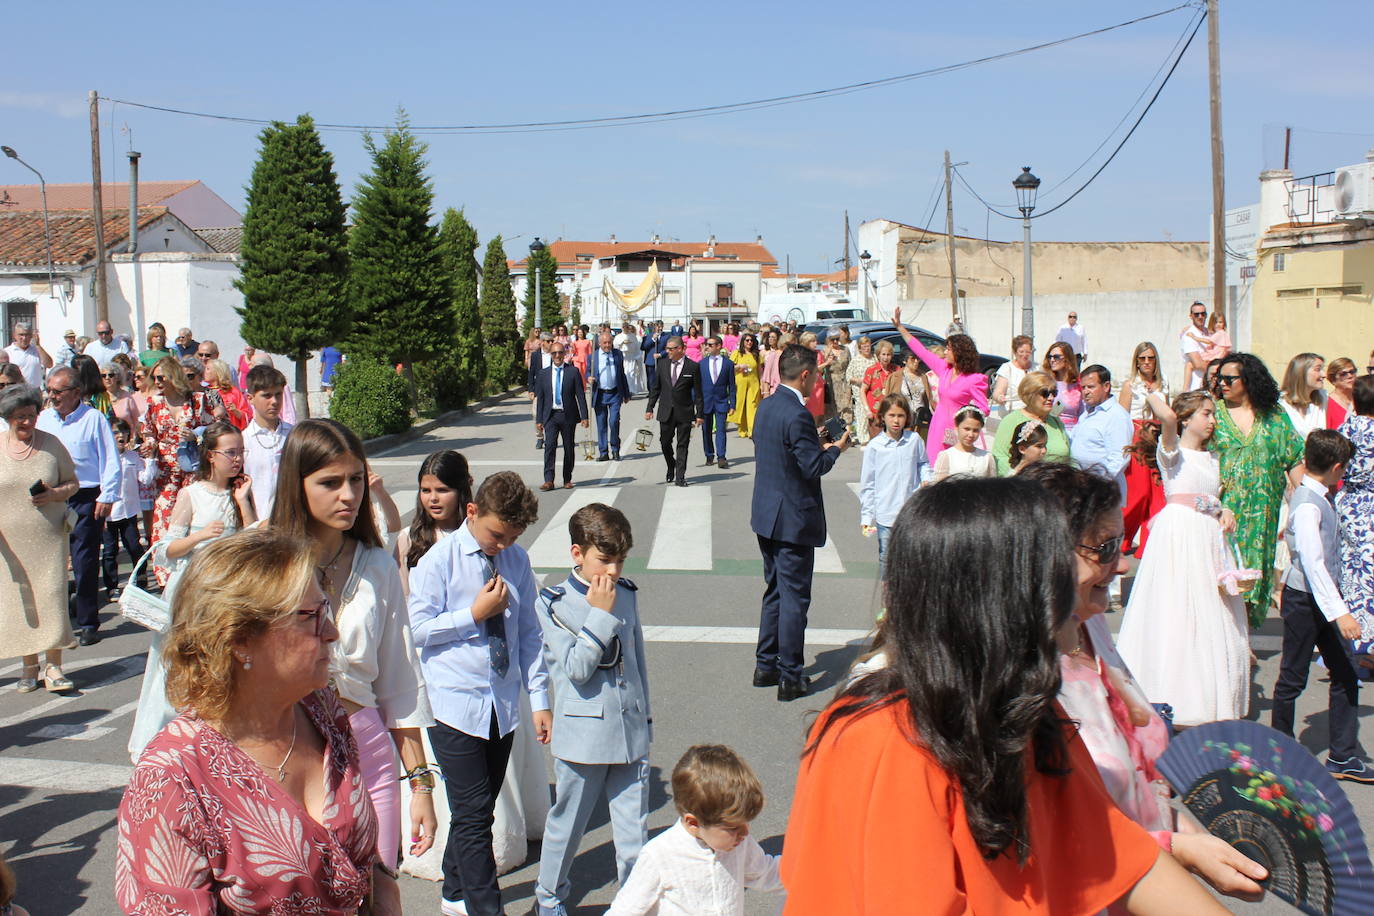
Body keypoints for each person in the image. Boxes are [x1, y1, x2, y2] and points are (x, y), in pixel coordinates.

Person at [782, 477, 1230, 915]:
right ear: (997, 598)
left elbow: (1116, 853)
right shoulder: (889, 739)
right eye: (1054, 568)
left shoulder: (1024, 709)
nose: (1072, 586)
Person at [115, 530, 401, 914]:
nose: (332, 633)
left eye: (326, 611)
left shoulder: (322, 710)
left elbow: (358, 859)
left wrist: (383, 888)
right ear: (239, 640)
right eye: (311, 618)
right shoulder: (172, 781)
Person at [1023, 461, 1270, 900]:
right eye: (1103, 548)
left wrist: (1180, 828)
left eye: (1121, 543)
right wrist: (1173, 848)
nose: (1121, 565)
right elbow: (1052, 839)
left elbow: (1136, 776)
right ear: (1047, 552)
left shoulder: (1091, 628)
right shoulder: (1020, 673)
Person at [270, 418, 438, 871]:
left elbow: (400, 683)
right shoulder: (266, 562)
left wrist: (421, 784)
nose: (349, 494)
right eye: (330, 482)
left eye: (356, 480)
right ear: (296, 484)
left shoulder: (378, 566)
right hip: (285, 755)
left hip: (369, 754)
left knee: (376, 890)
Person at [407, 471, 553, 916]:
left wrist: (540, 698)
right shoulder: (439, 561)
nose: (502, 545)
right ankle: (485, 908)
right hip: (456, 703)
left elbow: (529, 630)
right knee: (472, 815)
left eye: (511, 537)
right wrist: (474, 614)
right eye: (496, 534)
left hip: (502, 702)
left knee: (481, 806)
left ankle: (454, 890)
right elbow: (418, 631)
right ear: (472, 512)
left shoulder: (516, 561)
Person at [534, 504, 651, 916]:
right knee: (568, 825)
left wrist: (645, 718)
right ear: (577, 554)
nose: (614, 571)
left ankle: (634, 903)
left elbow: (636, 664)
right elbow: (577, 670)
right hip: (583, 735)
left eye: (620, 560)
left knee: (633, 829)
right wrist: (599, 615)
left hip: (629, 728)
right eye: (604, 559)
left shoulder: (628, 594)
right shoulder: (554, 603)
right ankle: (549, 898)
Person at [1115, 390, 1251, 726]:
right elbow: (1169, 422)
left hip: (1207, 538)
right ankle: (1173, 693)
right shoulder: (1172, 453)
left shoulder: (1213, 458)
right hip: (1180, 537)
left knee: (1211, 611)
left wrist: (1222, 509)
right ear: (1187, 418)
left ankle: (1210, 694)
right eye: (1206, 413)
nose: (1212, 421)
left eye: (1213, 414)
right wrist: (1153, 394)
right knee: (1178, 609)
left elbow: (1206, 498)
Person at [127, 421, 258, 759]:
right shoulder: (191, 493)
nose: (237, 459)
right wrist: (200, 536)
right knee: (181, 662)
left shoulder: (240, 491)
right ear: (211, 456)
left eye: (240, 452)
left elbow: (253, 540)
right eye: (230, 452)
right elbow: (166, 549)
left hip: (225, 589)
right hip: (193, 588)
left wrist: (243, 501)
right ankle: (170, 734)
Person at [1272, 429, 1373, 783]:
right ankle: (1280, 752)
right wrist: (1340, 612)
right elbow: (1313, 563)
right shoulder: (1309, 504)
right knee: (1292, 677)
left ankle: (1343, 756)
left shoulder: (1315, 495)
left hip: (1319, 599)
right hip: (1305, 601)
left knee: (1346, 673)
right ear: (1335, 467)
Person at [751, 344, 850, 701]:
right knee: (794, 598)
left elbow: (786, 451)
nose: (818, 381)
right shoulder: (798, 414)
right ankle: (791, 675)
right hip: (792, 518)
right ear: (804, 375)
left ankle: (766, 665)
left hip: (767, 514)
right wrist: (837, 447)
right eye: (817, 374)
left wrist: (815, 442)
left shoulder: (769, 405)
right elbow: (813, 467)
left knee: (775, 591)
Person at [607, 745, 782, 916]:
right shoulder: (659, 856)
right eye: (733, 828)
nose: (745, 833)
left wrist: (806, 872)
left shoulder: (739, 842)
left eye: (746, 823)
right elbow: (624, 910)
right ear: (693, 823)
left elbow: (765, 872)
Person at [1213, 352, 1306, 627]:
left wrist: (1307, 502)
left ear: (1249, 380)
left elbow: (1293, 458)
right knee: (1223, 573)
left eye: (1230, 378)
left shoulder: (1274, 416)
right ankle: (1230, 637)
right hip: (1223, 510)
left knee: (1252, 576)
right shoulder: (1213, 413)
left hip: (1262, 515)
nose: (1223, 384)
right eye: (1220, 378)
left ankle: (1245, 639)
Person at [1, 384, 79, 693]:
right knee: (21, 602)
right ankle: (29, 666)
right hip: (10, 542)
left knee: (51, 598)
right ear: (8, 417)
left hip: (48, 539)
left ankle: (54, 665)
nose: (27, 422)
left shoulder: (52, 445)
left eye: (32, 415)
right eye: (20, 417)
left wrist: (54, 494)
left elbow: (73, 483)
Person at [36, 366, 120, 647]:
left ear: (75, 393)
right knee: (51, 563)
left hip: (85, 497)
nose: (52, 397)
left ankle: (87, 622)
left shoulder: (94, 419)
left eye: (57, 392)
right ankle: (56, 623)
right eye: (49, 391)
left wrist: (107, 496)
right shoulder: (44, 418)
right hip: (52, 496)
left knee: (84, 561)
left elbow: (110, 459)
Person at [139, 355, 217, 585]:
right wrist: (149, 446)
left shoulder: (197, 400)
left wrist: (196, 435)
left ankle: (194, 572)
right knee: (163, 520)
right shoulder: (154, 403)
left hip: (193, 470)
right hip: (166, 474)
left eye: (161, 377)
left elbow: (215, 429)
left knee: (193, 521)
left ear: (173, 375)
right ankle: (166, 576)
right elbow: (149, 432)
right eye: (154, 378)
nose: (158, 382)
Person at [891, 307, 989, 459]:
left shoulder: (974, 379)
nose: (944, 352)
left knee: (954, 467)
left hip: (957, 429)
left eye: (948, 349)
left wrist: (966, 421)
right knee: (934, 465)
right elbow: (922, 351)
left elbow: (983, 408)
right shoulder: (945, 369)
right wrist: (899, 327)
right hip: (938, 425)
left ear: (959, 353)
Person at [859, 394, 931, 578]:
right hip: (886, 513)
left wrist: (926, 478)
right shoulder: (875, 446)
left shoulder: (914, 440)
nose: (896, 420)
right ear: (882, 417)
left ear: (907, 417)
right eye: (891, 415)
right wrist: (867, 516)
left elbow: (923, 463)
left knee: (910, 557)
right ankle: (888, 597)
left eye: (900, 415)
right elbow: (868, 483)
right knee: (886, 557)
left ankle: (906, 594)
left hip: (910, 512)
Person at [1119, 342, 1171, 555]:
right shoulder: (1131, 384)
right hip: (1138, 435)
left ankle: (1149, 543)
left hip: (1157, 435)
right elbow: (1122, 417)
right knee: (1138, 493)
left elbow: (1167, 412)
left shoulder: (1163, 383)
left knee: (1157, 493)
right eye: (1143, 358)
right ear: (1137, 361)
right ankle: (1123, 537)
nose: (1147, 362)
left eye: (1150, 358)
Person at [1337, 375, 1374, 665]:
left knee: (1352, 572)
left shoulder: (1344, 429)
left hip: (1349, 504)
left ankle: (1355, 640)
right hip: (1371, 507)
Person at [100, 419, 155, 602]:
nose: (120, 436)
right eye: (115, 432)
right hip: (108, 514)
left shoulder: (133, 457)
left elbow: (145, 479)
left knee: (134, 546)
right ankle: (112, 586)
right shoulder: (102, 458)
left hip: (129, 510)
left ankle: (140, 580)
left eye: (123, 432)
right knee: (110, 551)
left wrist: (151, 459)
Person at [644, 336, 704, 487]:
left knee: (682, 445)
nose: (668, 352)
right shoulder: (662, 365)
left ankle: (680, 476)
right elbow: (656, 388)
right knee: (665, 443)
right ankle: (671, 464)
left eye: (671, 349)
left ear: (680, 349)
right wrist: (650, 407)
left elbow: (698, 394)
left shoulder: (693, 367)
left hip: (684, 412)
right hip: (666, 411)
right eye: (667, 349)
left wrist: (699, 415)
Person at [1071, 365, 1134, 501]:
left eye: (1091, 387)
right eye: (1083, 387)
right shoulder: (1087, 413)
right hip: (1083, 489)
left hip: (1102, 493)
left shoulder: (1117, 416)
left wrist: (1095, 484)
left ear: (1106, 386)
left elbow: (1119, 458)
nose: (1086, 392)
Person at [991, 371, 1072, 475]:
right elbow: (1000, 457)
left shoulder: (1056, 422)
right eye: (1045, 393)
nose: (1051, 398)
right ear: (1030, 395)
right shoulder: (1011, 421)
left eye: (1054, 393)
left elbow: (1069, 457)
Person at [535, 342, 589, 491]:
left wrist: (584, 416)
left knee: (568, 447)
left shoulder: (573, 372)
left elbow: (580, 395)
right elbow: (541, 399)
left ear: (564, 354)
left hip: (568, 415)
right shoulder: (543, 374)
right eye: (554, 353)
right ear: (551, 355)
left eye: (560, 353)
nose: (557, 356)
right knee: (550, 447)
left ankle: (567, 478)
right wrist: (539, 419)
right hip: (550, 416)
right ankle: (548, 480)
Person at [241, 363, 292, 519]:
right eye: (266, 396)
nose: (274, 401)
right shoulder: (243, 440)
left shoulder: (293, 434)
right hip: (258, 521)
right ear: (250, 398)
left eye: (278, 394)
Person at [590, 331, 631, 462]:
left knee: (613, 421)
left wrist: (626, 393)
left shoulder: (617, 354)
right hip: (600, 394)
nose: (608, 345)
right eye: (605, 343)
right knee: (601, 424)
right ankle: (603, 452)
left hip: (615, 393)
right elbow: (587, 372)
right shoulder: (593, 356)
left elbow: (622, 374)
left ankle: (615, 449)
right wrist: (588, 378)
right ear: (599, 343)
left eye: (609, 342)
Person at [698, 335, 736, 469]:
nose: (707, 347)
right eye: (707, 344)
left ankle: (721, 457)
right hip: (706, 402)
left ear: (719, 346)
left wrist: (733, 403)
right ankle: (709, 454)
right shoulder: (702, 364)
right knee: (706, 430)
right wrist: (697, 405)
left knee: (721, 430)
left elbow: (732, 385)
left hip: (721, 401)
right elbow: (697, 386)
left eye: (710, 344)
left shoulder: (728, 364)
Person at [931, 405, 995, 481]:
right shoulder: (947, 456)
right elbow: (937, 487)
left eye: (975, 430)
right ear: (957, 427)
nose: (971, 435)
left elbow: (992, 486)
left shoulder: (987, 457)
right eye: (967, 429)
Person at [1279, 351, 1328, 439]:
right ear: (1301, 372)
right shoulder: (1280, 404)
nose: (1324, 375)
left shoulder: (1322, 398)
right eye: (1318, 369)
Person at [1042, 340, 1083, 429]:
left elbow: (1084, 413)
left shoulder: (1079, 385)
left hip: (1074, 432)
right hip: (1051, 430)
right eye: (1050, 357)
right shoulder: (1045, 382)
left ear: (1067, 359)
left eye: (1056, 357)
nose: (1052, 360)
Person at [861, 340, 898, 438]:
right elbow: (862, 391)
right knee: (876, 444)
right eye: (883, 354)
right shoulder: (871, 370)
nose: (886, 357)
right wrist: (867, 409)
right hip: (875, 415)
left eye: (888, 354)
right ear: (878, 355)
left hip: (892, 415)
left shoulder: (896, 370)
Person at [728, 333, 762, 439]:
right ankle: (742, 429)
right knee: (740, 405)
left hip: (753, 382)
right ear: (743, 342)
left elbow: (759, 370)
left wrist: (762, 384)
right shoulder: (737, 353)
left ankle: (752, 430)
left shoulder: (756, 354)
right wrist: (739, 367)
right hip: (740, 382)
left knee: (752, 406)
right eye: (747, 340)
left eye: (751, 340)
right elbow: (729, 368)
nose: (749, 342)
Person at [992, 334, 1034, 416]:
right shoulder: (1006, 368)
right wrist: (999, 397)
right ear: (1015, 352)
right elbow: (998, 392)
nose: (1025, 355)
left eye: (1028, 352)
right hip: (1012, 412)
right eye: (1021, 352)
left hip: (1033, 413)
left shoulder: (1037, 368)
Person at [846, 335, 876, 444]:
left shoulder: (874, 358)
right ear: (859, 348)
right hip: (860, 392)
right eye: (864, 347)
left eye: (868, 346)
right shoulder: (856, 360)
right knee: (862, 415)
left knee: (873, 415)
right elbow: (848, 376)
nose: (867, 349)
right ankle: (864, 439)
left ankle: (873, 436)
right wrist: (859, 380)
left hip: (873, 392)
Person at [528, 331, 555, 448]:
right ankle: (539, 437)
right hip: (539, 389)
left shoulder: (555, 354)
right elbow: (531, 373)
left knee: (550, 414)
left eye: (552, 341)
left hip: (552, 388)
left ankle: (550, 437)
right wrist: (531, 389)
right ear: (543, 342)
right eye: (548, 341)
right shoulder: (535, 355)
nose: (551, 343)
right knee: (536, 414)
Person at [5, 322, 53, 387]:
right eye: (21, 335)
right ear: (15, 335)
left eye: (27, 335)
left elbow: (49, 364)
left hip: (34, 392)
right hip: (15, 392)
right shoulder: (7, 352)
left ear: (31, 336)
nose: (24, 338)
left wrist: (38, 346)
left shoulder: (37, 351)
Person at [821, 331, 851, 429]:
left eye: (837, 339)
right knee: (833, 408)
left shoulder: (845, 350)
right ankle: (836, 431)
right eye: (832, 339)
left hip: (844, 382)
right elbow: (820, 366)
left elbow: (850, 366)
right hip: (831, 383)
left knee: (846, 406)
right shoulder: (825, 351)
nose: (835, 341)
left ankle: (847, 431)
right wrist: (827, 353)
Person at [99, 361, 140, 431]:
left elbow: (136, 421)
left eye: (111, 375)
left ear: (118, 377)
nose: (107, 378)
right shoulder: (99, 398)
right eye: (103, 376)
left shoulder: (127, 397)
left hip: (125, 438)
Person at [1179, 301, 1210, 390]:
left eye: (1203, 314)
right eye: (1197, 314)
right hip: (1196, 388)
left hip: (1211, 387)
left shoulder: (1210, 334)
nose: (1200, 317)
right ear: (1191, 316)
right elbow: (1198, 364)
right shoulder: (1189, 336)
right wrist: (1217, 371)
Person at [1326, 357, 1358, 429]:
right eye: (1343, 374)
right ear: (1333, 379)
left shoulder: (1361, 399)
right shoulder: (1327, 403)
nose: (1350, 376)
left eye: (1352, 372)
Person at [615, 322, 645, 396]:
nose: (625, 328)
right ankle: (623, 390)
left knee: (631, 374)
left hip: (631, 356)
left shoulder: (632, 336)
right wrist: (622, 343)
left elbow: (637, 347)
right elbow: (615, 345)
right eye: (624, 327)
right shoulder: (618, 336)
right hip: (623, 356)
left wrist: (637, 358)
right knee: (624, 373)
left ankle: (631, 390)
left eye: (627, 327)